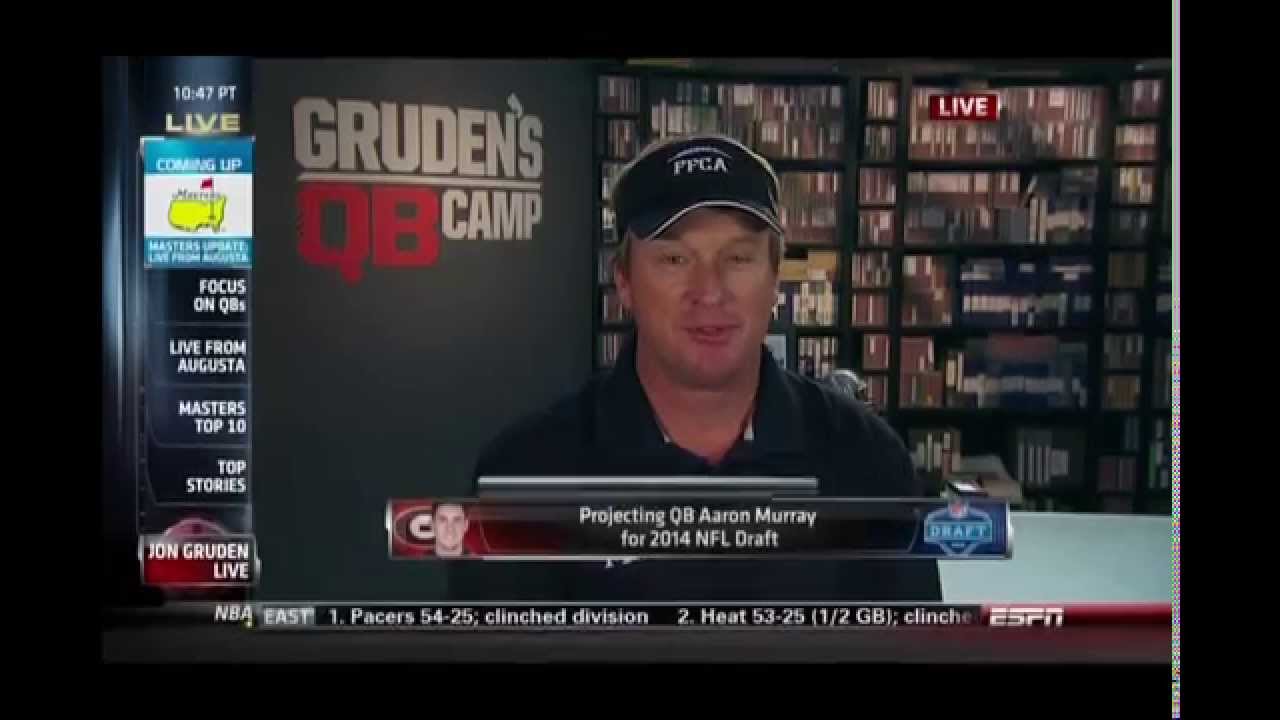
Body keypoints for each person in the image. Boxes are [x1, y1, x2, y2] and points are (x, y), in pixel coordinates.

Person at [451, 133, 940, 601]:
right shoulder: (523, 477)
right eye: (675, 259)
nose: (709, 291)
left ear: (775, 280)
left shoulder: (869, 463)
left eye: (739, 258)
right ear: (624, 282)